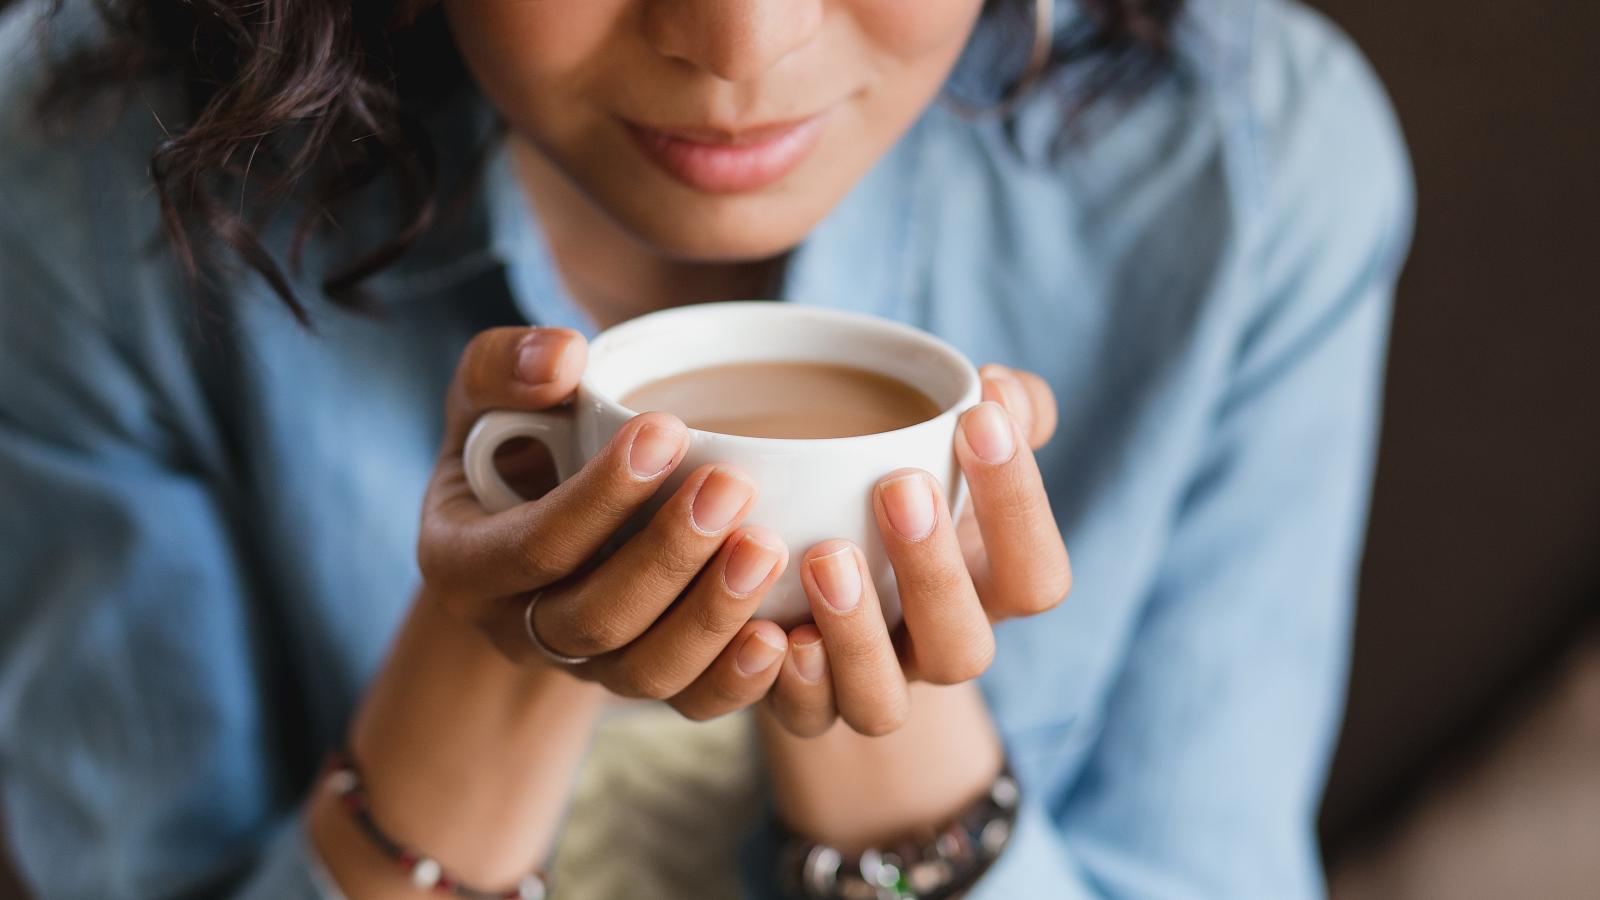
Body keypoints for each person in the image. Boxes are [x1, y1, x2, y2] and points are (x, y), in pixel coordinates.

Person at [0, 0, 1413, 897]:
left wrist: (900, 723)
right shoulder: (86, 181)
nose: (744, 43)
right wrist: (489, 652)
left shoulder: (1247, 175)